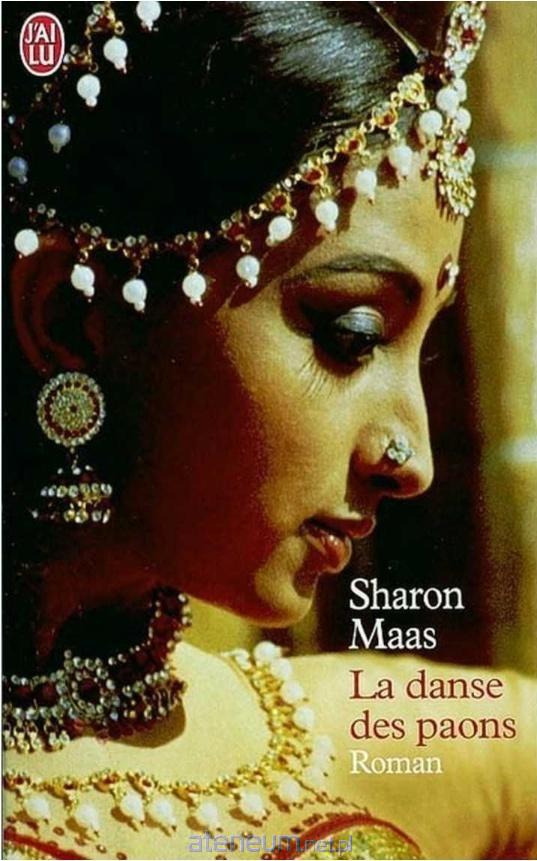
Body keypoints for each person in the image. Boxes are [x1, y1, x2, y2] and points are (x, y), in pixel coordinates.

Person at [3, 3, 536, 859]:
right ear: (70, 319)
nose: (414, 463)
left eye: (423, 349)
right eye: (351, 336)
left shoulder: (359, 740)